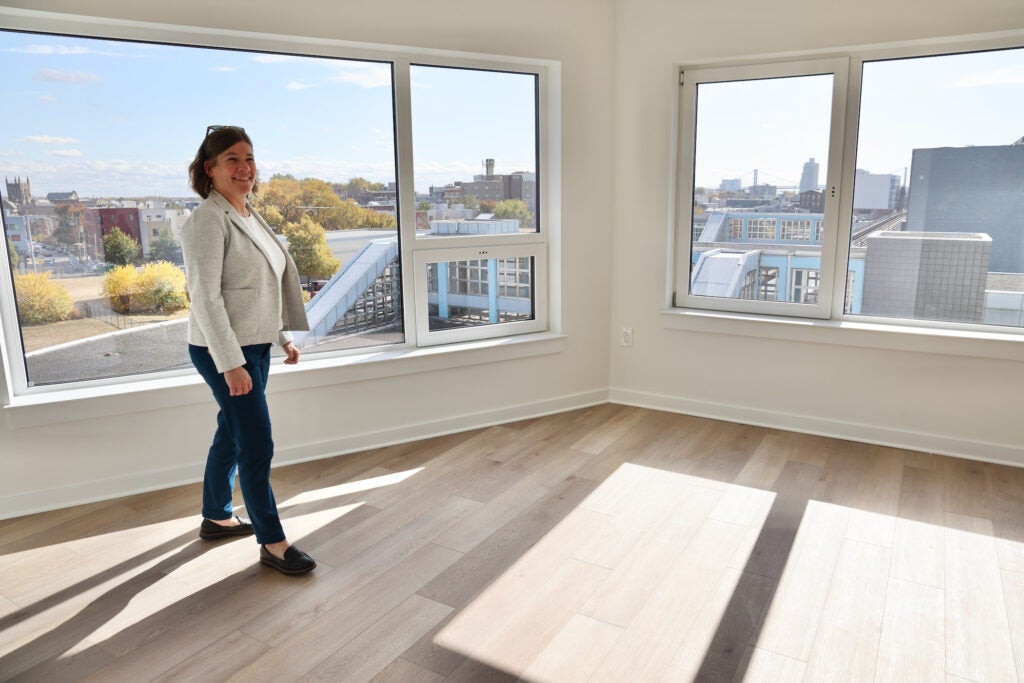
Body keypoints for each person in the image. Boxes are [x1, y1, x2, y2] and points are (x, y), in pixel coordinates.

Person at [180, 125, 316, 575]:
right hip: (225, 351)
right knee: (256, 443)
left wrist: (282, 335)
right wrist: (231, 363)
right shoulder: (207, 219)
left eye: (250, 158)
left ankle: (217, 516)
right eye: (232, 160)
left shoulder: (247, 214)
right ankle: (272, 541)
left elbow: (259, 287)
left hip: (254, 347)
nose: (245, 168)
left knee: (232, 433)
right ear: (210, 169)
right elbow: (206, 297)